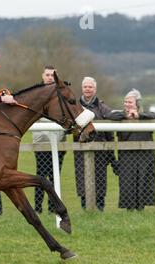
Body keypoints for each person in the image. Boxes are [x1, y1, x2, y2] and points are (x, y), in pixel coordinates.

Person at [106, 89, 155, 211]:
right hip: (127, 156)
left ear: (137, 104)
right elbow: (108, 115)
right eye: (125, 102)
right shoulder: (119, 116)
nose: (127, 104)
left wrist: (139, 116)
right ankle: (129, 211)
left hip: (145, 156)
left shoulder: (145, 116)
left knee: (143, 182)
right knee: (127, 184)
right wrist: (125, 116)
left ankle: (141, 210)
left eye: (130, 102)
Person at [74, 77, 118, 211]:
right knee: (82, 179)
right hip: (81, 150)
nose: (88, 89)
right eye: (85, 87)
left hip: (100, 151)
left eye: (90, 87)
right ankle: (84, 208)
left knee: (100, 179)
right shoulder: (75, 107)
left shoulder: (103, 107)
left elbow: (109, 132)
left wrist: (110, 151)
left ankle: (100, 208)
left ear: (95, 89)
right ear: (82, 88)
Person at [32, 66, 66, 214]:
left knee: (55, 176)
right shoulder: (35, 93)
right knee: (40, 175)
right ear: (42, 76)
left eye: (52, 75)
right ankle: (37, 207)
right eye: (47, 75)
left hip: (59, 141)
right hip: (41, 142)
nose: (50, 77)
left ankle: (53, 207)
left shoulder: (61, 93)